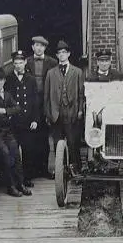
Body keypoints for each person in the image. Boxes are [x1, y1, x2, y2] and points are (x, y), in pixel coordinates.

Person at [0, 67, 31, 198]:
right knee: (6, 156)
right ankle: (10, 186)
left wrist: (5, 111)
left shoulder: (7, 94)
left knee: (16, 155)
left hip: (8, 131)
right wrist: (8, 115)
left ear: (4, 81)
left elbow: (18, 108)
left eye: (1, 80)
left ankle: (20, 184)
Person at [6, 50, 47, 185]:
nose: (18, 65)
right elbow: (6, 99)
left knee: (28, 150)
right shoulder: (8, 79)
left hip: (27, 120)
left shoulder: (31, 79)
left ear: (25, 62)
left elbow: (35, 101)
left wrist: (35, 119)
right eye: (16, 63)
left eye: (20, 63)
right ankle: (14, 179)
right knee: (13, 151)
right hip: (14, 121)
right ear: (13, 64)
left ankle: (27, 177)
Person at [44, 41, 85, 175]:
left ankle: (76, 169)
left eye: (64, 52)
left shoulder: (77, 72)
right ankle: (61, 170)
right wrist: (48, 113)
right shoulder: (51, 73)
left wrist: (80, 110)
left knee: (73, 143)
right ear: (56, 55)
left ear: (68, 54)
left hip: (72, 112)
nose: (61, 55)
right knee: (57, 143)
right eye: (59, 53)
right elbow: (46, 95)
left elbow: (81, 94)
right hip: (56, 113)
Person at [26, 35, 58, 179]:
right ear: (33, 47)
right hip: (31, 104)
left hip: (45, 103)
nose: (39, 48)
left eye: (42, 46)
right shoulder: (26, 62)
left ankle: (44, 169)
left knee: (44, 138)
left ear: (45, 48)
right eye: (36, 45)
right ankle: (31, 171)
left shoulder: (52, 62)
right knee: (30, 138)